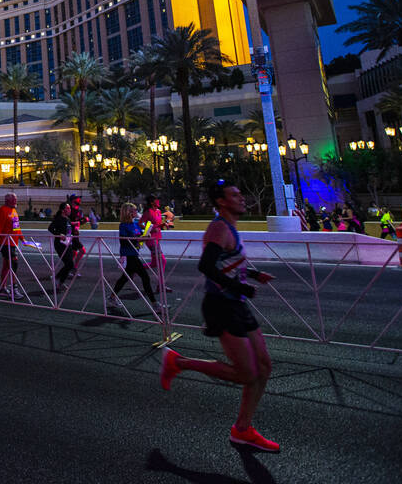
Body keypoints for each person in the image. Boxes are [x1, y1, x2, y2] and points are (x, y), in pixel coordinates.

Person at [159, 178, 279, 453]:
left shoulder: (230, 228)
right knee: (247, 374)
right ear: (222, 201)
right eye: (235, 195)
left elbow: (227, 265)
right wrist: (240, 286)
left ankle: (243, 430)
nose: (242, 198)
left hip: (235, 303)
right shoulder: (218, 228)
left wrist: (252, 274)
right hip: (220, 305)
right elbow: (206, 265)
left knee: (263, 368)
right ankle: (178, 362)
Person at [108, 202, 156, 313]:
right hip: (129, 255)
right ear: (129, 212)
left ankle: (112, 297)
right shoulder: (123, 226)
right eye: (134, 210)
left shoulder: (135, 223)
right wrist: (139, 239)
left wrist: (145, 235)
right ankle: (155, 304)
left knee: (125, 278)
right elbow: (124, 241)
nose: (136, 212)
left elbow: (138, 236)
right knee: (145, 277)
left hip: (135, 252)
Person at [0, 193, 26, 299]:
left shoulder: (14, 212)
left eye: (16, 199)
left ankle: (3, 288)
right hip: (5, 243)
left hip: (13, 243)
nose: (16, 201)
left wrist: (22, 239)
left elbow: (16, 228)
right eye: (14, 200)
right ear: (7, 201)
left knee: (7, 266)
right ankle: (14, 289)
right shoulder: (2, 211)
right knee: (14, 263)